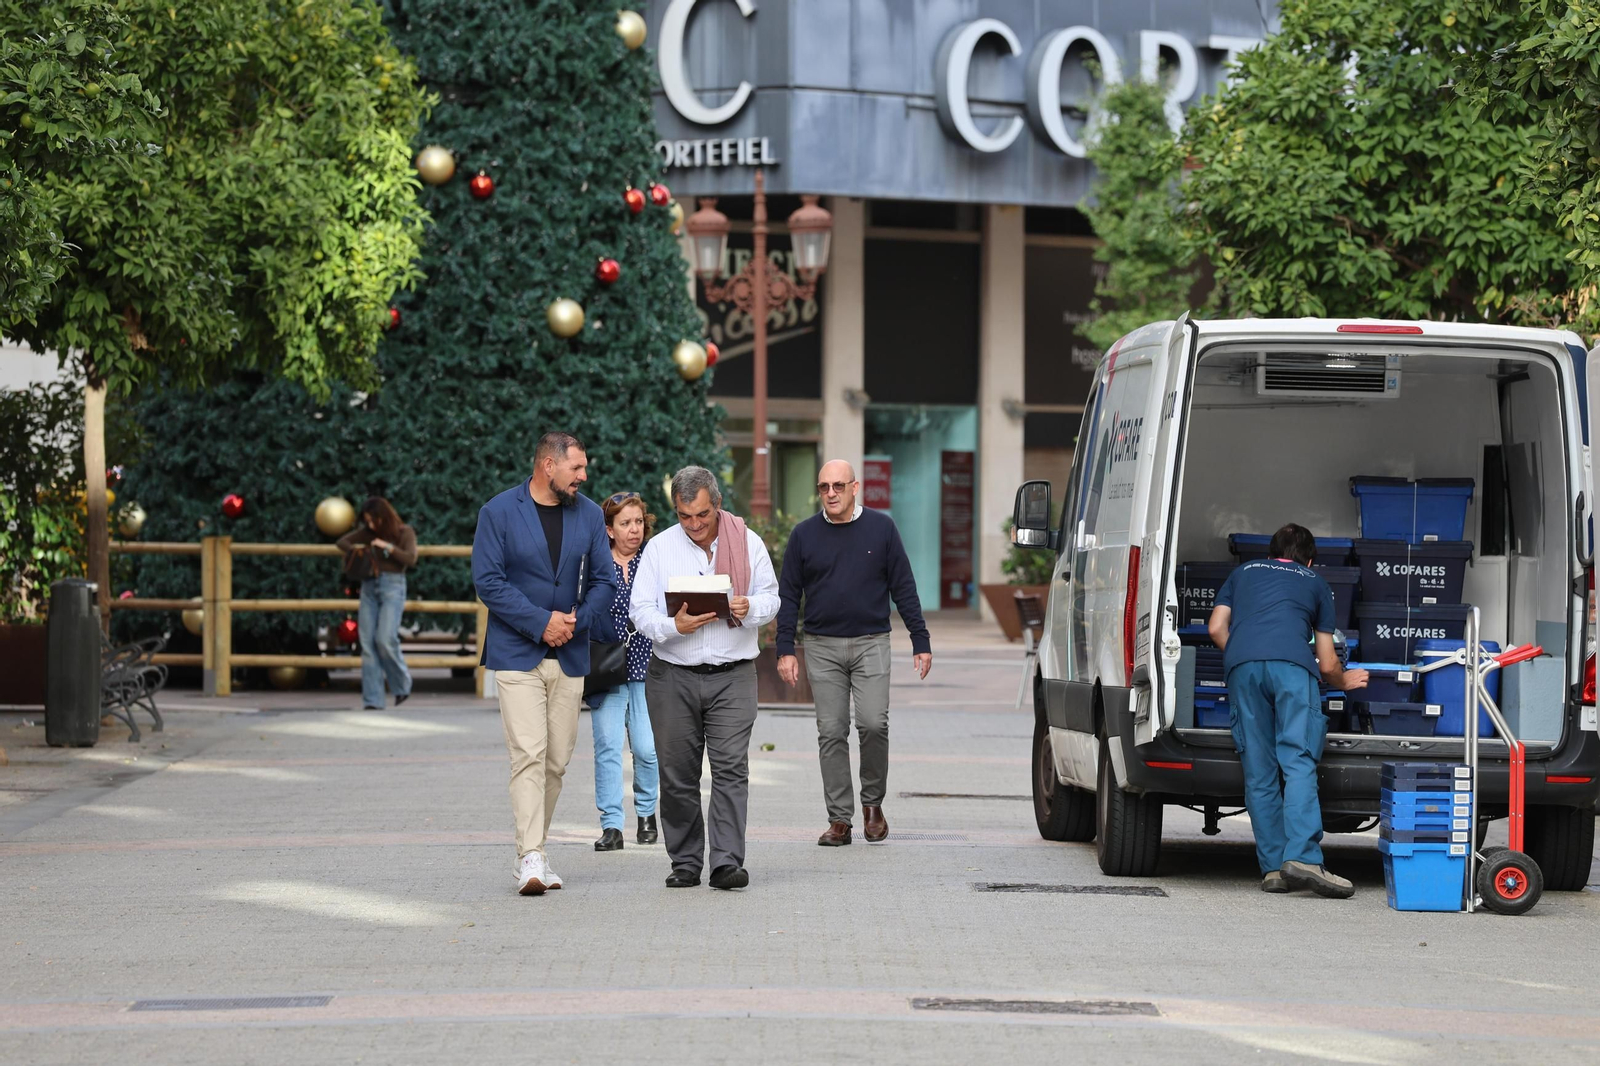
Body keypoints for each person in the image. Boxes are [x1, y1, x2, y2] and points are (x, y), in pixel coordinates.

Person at [473, 432, 615, 897]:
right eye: (576, 468)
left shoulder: (591, 515)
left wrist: (575, 623)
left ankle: (536, 849)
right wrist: (540, 623)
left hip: (570, 653)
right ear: (548, 464)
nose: (584, 476)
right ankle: (530, 855)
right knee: (529, 754)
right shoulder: (498, 512)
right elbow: (488, 582)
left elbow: (603, 582)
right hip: (516, 654)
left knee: (555, 764)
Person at [629, 465, 780, 891]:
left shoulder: (746, 542)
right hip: (672, 677)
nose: (694, 526)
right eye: (684, 516)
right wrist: (674, 626)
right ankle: (685, 861)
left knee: (731, 769)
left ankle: (726, 862)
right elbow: (640, 611)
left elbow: (773, 597)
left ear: (716, 504)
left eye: (701, 515)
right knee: (677, 774)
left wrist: (750, 606)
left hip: (733, 676)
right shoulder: (659, 549)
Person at [1207, 523, 1369, 898]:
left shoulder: (1242, 573)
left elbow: (1216, 627)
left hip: (1242, 668)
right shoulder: (1314, 581)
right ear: (1310, 558)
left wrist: (1244, 653)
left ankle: (1274, 870)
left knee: (1259, 770)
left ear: (1269, 554)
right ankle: (1304, 859)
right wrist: (1346, 681)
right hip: (1293, 668)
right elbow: (1328, 663)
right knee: (1297, 761)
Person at [775, 460, 931, 846]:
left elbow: (904, 586)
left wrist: (920, 639)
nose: (831, 493)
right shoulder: (804, 535)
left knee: (874, 724)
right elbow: (789, 594)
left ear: (855, 487)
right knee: (831, 731)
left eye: (838, 486)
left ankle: (873, 804)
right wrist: (784, 649)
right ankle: (839, 819)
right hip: (821, 645)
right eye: (824, 486)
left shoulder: (882, 529)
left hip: (871, 642)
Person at [589, 492, 660, 852]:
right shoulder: (595, 565)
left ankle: (647, 815)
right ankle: (612, 825)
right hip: (607, 668)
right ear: (609, 530)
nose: (634, 530)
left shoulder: (654, 560)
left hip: (649, 668)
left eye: (638, 522)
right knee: (607, 747)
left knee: (647, 749)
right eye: (625, 523)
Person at [336, 497, 418, 710]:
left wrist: (387, 547)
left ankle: (402, 685)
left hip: (393, 586)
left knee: (385, 638)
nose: (371, 525)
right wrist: (360, 551)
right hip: (369, 587)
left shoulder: (404, 532)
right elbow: (342, 542)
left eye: (374, 520)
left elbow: (410, 559)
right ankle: (373, 700)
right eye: (368, 521)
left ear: (384, 517)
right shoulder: (368, 533)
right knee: (367, 644)